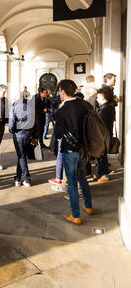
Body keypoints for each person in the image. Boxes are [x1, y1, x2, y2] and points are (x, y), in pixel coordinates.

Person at [54, 79, 94, 225]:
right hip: (84, 148)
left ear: (63, 92)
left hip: (69, 150)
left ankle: (76, 215)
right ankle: (88, 206)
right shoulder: (85, 105)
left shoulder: (62, 111)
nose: (59, 94)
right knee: (82, 178)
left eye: (59, 92)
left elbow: (58, 134)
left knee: (71, 183)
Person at [9, 92, 39, 187]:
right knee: (21, 157)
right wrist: (35, 136)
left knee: (21, 157)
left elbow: (11, 125)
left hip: (18, 136)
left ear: (15, 98)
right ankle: (17, 178)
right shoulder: (30, 107)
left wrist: (13, 131)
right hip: (28, 135)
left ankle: (27, 179)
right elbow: (36, 123)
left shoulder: (14, 108)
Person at [94, 87, 116, 182]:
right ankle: (101, 172)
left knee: (102, 155)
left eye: (98, 96)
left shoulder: (105, 109)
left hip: (103, 136)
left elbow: (101, 124)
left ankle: (105, 175)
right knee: (100, 155)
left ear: (103, 96)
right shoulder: (105, 107)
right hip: (104, 135)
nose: (97, 98)